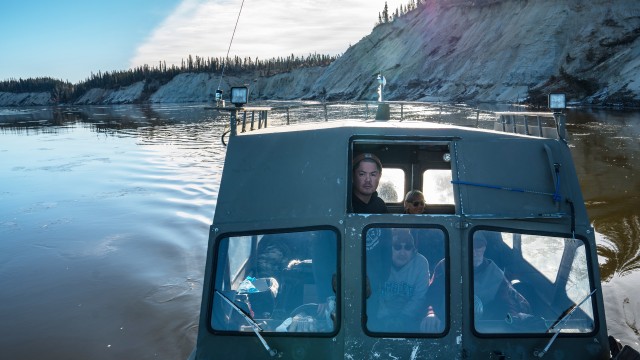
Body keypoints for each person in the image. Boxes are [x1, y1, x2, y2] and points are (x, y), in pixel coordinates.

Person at [368, 229, 430, 332]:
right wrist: (385, 317)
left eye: (407, 247)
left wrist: (404, 318)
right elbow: (374, 293)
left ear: (413, 250)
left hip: (410, 320)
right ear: (389, 248)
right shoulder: (378, 261)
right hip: (379, 318)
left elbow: (419, 296)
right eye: (397, 247)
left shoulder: (421, 263)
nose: (402, 252)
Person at [473, 232, 531, 320]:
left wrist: (512, 316)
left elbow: (506, 300)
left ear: (484, 248)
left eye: (478, 247)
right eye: (469, 248)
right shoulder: (445, 266)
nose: (474, 253)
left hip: (485, 319)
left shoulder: (495, 273)